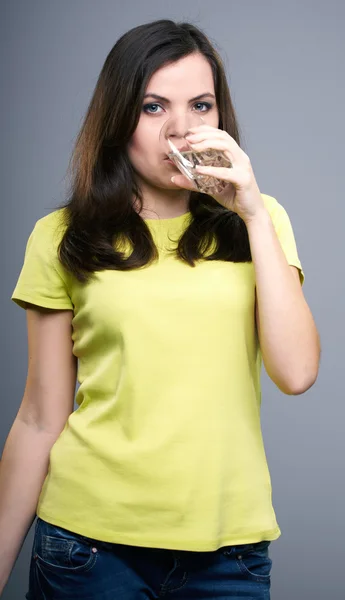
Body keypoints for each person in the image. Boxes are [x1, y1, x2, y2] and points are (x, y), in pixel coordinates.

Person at [0, 19, 321, 600]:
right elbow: (40, 418)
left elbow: (296, 373)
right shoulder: (62, 236)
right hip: (88, 549)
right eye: (154, 107)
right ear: (120, 118)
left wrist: (250, 213)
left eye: (201, 105)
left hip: (230, 556)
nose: (182, 129)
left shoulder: (262, 222)